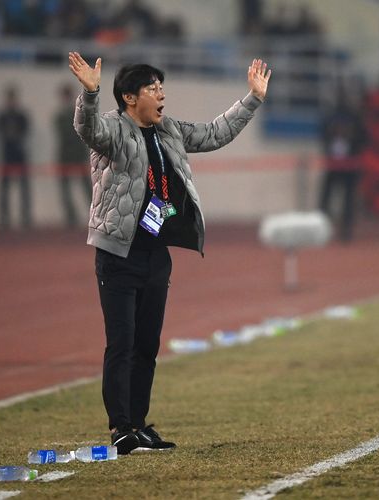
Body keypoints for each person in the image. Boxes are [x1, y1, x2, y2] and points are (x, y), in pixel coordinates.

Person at [68, 51, 271, 454]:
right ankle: (119, 428)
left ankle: (139, 424)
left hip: (155, 252)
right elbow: (86, 129)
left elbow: (215, 133)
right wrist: (89, 94)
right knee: (121, 342)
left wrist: (252, 98)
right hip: (118, 254)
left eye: (162, 87)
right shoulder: (112, 130)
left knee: (147, 345)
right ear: (129, 98)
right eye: (152, 88)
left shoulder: (169, 130)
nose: (161, 95)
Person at [318, 91, 367, 242]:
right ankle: (321, 229)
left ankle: (346, 232)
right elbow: (322, 134)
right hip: (333, 164)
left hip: (350, 165)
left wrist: (354, 143)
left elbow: (364, 138)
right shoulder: (330, 117)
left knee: (348, 200)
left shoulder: (356, 118)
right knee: (326, 198)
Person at [54, 83, 91, 227]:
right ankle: (71, 217)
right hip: (65, 155)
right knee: (66, 188)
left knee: (85, 186)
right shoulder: (60, 116)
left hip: (77, 154)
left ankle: (93, 215)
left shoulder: (79, 115)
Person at [0, 85, 31, 228]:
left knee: (24, 187)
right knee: (4, 188)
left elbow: (25, 132)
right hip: (7, 154)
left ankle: (25, 217)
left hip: (20, 154)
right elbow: (0, 133)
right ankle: (4, 218)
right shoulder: (2, 117)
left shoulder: (21, 116)